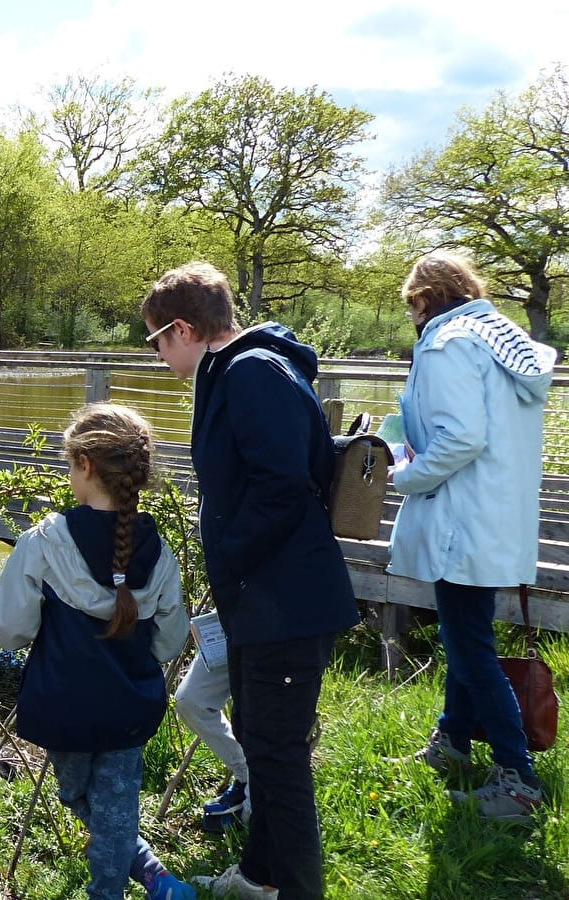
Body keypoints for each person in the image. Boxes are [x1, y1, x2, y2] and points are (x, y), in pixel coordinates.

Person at [142, 263, 359, 900]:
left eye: (157, 340)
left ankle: (295, 889)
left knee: (280, 762)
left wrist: (229, 556)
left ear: (183, 329)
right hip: (264, 600)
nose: (157, 355)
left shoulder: (249, 372)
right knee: (265, 750)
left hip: (283, 601)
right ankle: (261, 877)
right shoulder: (237, 370)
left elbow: (283, 486)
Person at [0, 402, 196, 900]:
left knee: (77, 794)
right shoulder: (160, 551)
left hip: (63, 705)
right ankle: (151, 875)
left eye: (68, 463)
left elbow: (11, 629)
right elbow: (169, 641)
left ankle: (117, 889)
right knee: (115, 807)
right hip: (131, 706)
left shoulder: (45, 541)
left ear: (84, 465)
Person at [389, 250, 555, 821]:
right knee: (468, 635)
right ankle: (454, 741)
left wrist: (404, 475)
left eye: (412, 305)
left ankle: (518, 780)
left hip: (460, 518)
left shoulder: (446, 343)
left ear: (424, 299)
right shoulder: (500, 340)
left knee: (469, 648)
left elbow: (459, 439)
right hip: (495, 516)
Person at [174, 652, 251, 832]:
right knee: (190, 700)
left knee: (259, 713)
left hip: (273, 633)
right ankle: (245, 775)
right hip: (224, 628)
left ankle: (254, 813)